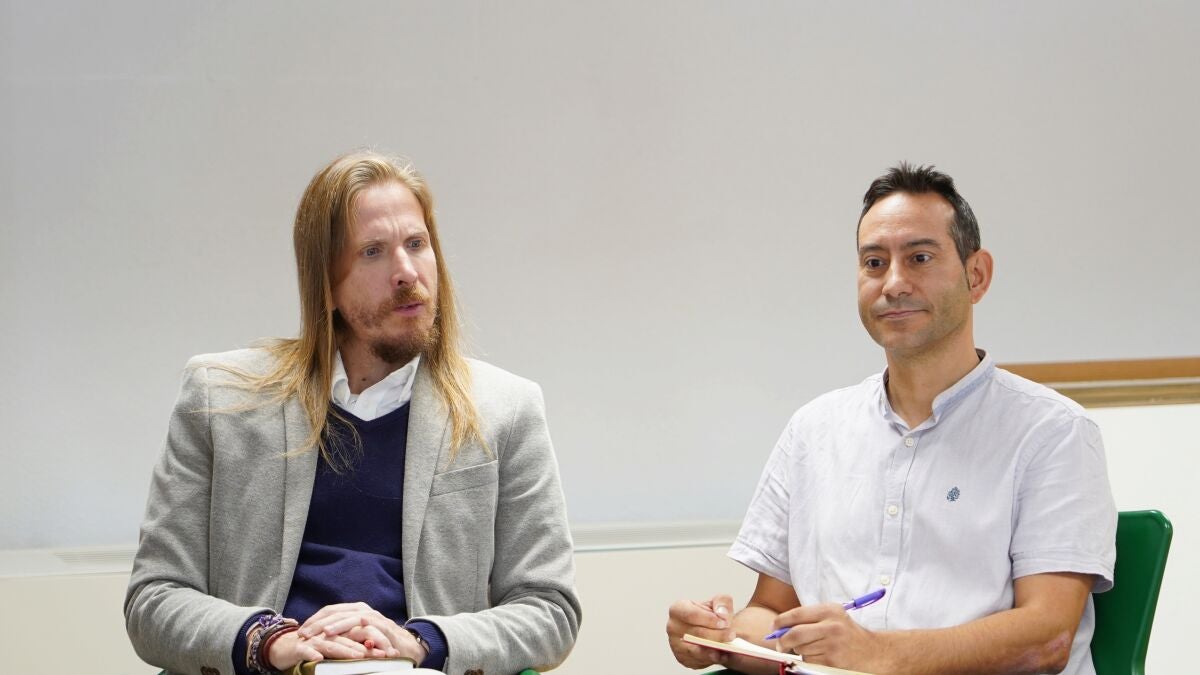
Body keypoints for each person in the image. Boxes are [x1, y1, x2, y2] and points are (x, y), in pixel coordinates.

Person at [126, 151, 580, 675]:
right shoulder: (220, 398)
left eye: (417, 244)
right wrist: (266, 641)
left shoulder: (507, 409)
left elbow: (550, 610)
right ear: (326, 283)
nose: (406, 271)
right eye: (373, 252)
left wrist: (423, 643)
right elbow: (154, 599)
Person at [666, 163, 1116, 675]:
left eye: (920, 258)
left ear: (976, 275)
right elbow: (769, 611)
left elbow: (1047, 638)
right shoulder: (814, 431)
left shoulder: (1053, 432)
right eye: (874, 263)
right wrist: (723, 637)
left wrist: (875, 654)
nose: (894, 283)